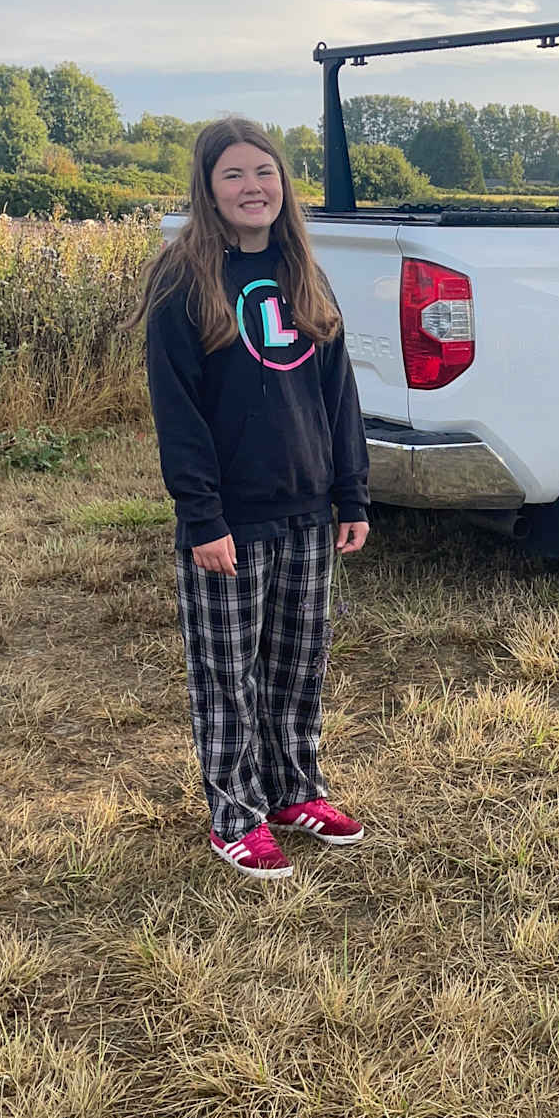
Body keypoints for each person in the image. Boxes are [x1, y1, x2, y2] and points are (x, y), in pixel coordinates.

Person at [144, 117, 371, 878]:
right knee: (227, 675)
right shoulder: (183, 281)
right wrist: (201, 516)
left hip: (306, 510)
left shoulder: (304, 272)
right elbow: (178, 411)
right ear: (208, 189)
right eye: (234, 175)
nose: (253, 187)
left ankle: (294, 789)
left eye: (264, 172)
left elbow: (338, 392)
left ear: (283, 184)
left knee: (297, 665)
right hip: (230, 522)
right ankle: (235, 814)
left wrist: (351, 493)